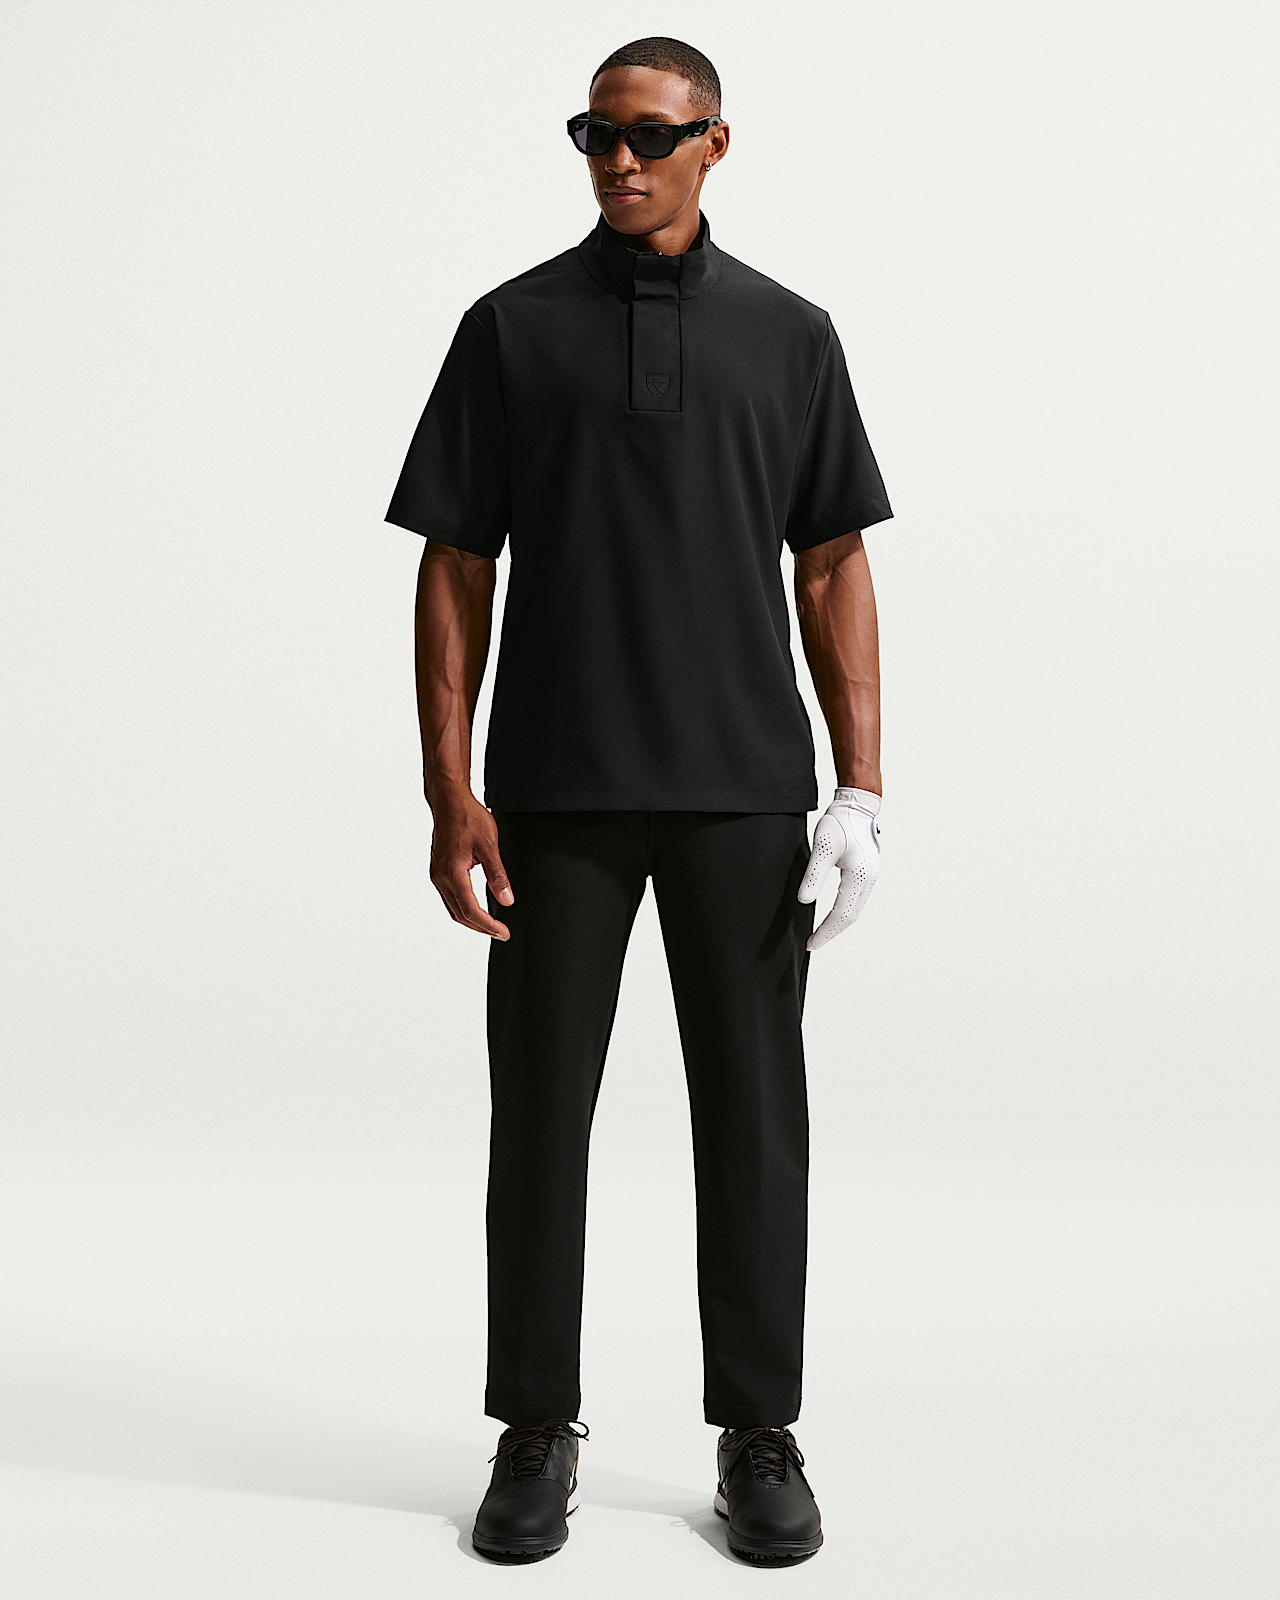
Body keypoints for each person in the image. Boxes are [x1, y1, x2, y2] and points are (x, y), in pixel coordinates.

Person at [385, 35, 891, 1566]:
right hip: (555, 793)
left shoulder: (790, 335)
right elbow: (455, 562)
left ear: (714, 143)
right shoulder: (511, 327)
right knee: (540, 1118)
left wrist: (862, 788)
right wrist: (450, 788)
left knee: (756, 1121)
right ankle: (535, 1426)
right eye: (596, 134)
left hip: (743, 790)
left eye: (651, 135)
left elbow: (832, 557)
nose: (620, 159)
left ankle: (759, 1431)